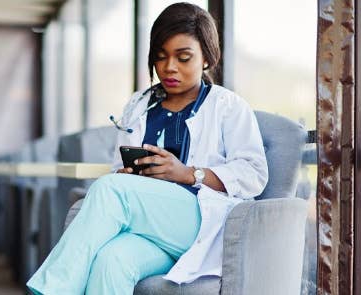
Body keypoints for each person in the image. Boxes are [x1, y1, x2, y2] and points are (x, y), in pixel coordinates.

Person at [26, 2, 268, 294]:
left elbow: (254, 174)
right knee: (111, 261)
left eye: (183, 57)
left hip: (200, 223)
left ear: (206, 58)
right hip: (150, 225)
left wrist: (189, 174)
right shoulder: (140, 104)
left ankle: (52, 289)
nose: (170, 67)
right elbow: (121, 171)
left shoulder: (227, 106)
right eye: (161, 56)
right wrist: (131, 174)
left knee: (110, 188)